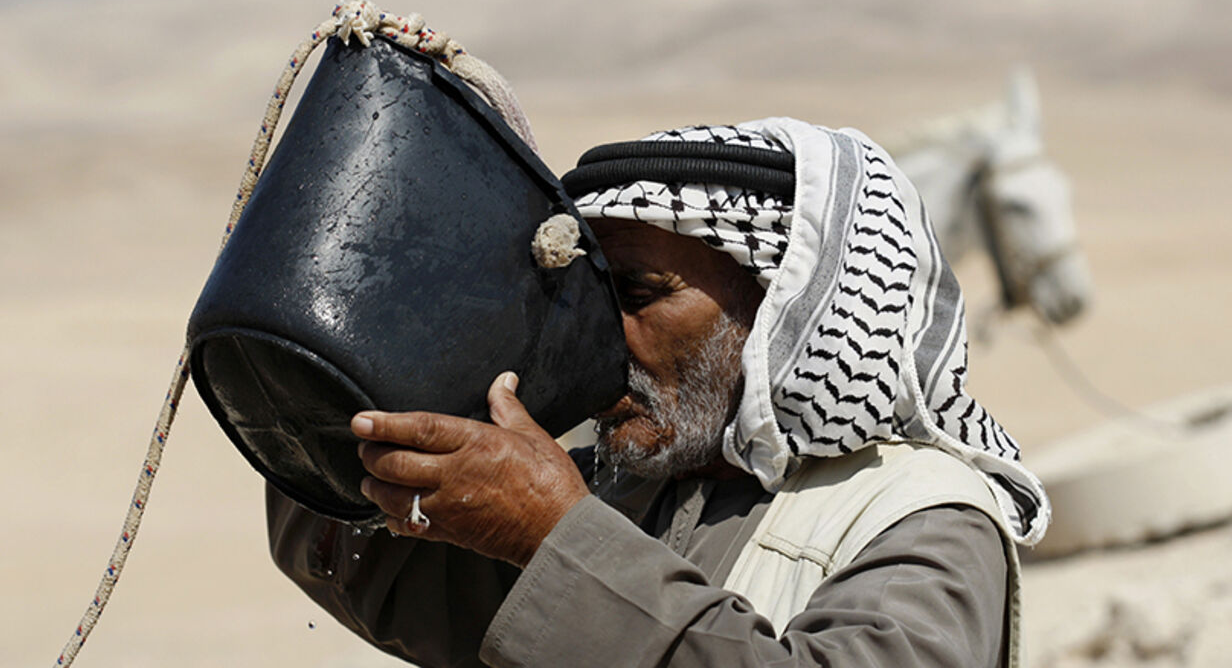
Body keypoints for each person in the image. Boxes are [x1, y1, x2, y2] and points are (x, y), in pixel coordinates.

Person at [267, 120, 1050, 667]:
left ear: (790, 315)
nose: (606, 339)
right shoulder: (625, 484)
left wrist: (556, 540)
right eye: (591, 305)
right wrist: (337, 393)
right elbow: (383, 582)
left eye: (640, 295)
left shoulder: (925, 521)